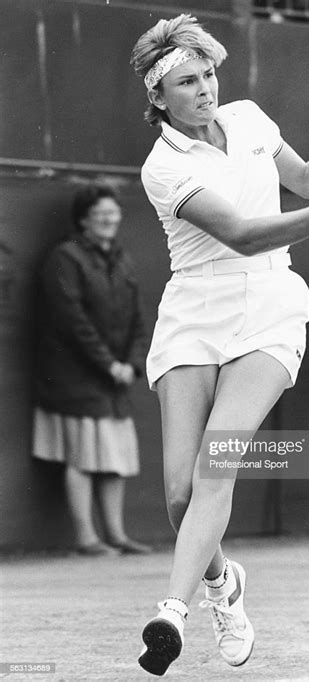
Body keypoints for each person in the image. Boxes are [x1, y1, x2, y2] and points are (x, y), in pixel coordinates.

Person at [129, 13, 309, 676]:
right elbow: (247, 233)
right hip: (195, 310)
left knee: (217, 463)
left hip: (269, 306)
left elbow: (308, 181)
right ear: (157, 96)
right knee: (179, 494)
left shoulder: (250, 117)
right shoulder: (163, 169)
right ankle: (225, 582)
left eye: (210, 74)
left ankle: (174, 608)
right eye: (189, 80)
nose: (206, 89)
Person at [32, 183, 152, 556]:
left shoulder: (121, 258)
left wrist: (130, 364)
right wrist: (108, 364)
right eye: (100, 214)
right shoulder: (64, 258)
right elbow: (72, 320)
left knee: (113, 459)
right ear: (83, 220)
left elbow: (137, 317)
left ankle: (115, 535)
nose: (108, 220)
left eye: (112, 213)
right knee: (82, 457)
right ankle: (87, 538)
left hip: (113, 379)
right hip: (76, 378)